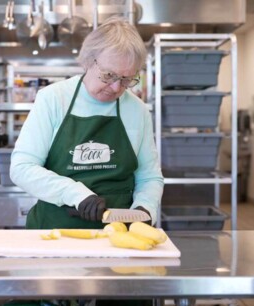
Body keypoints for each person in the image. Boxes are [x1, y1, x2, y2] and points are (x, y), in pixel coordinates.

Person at [10, 16, 163, 230]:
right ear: (89, 61)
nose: (116, 88)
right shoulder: (53, 99)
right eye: (109, 75)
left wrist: (145, 208)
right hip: (56, 231)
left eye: (127, 79)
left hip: (118, 234)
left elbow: (149, 176)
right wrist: (75, 194)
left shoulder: (137, 110)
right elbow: (22, 168)